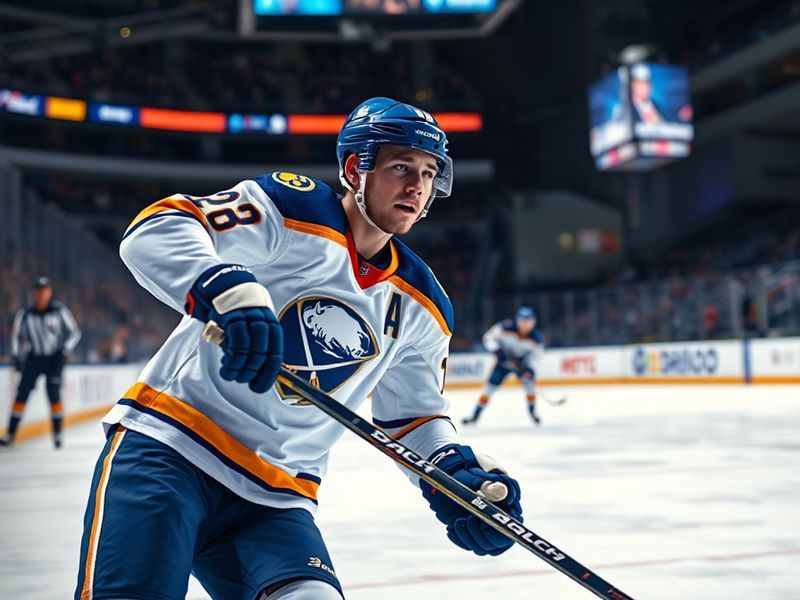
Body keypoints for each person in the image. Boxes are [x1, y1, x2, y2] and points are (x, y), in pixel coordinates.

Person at [75, 97, 524, 600]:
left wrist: (452, 474)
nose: (417, 186)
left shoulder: (424, 302)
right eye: (401, 167)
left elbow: (413, 418)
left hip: (276, 498)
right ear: (355, 169)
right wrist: (228, 291)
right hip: (171, 449)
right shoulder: (293, 210)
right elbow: (156, 229)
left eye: (428, 172)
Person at [1, 276, 81, 449]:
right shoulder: (25, 314)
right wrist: (16, 356)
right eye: (38, 291)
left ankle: (57, 433)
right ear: (33, 293)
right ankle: (10, 434)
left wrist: (65, 350)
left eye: (44, 291)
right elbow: (16, 336)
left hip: (54, 359)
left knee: (53, 393)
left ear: (49, 292)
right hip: (34, 358)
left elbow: (74, 332)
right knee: (22, 393)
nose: (41, 295)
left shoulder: (59, 310)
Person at [462, 306, 544, 426]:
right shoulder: (505, 327)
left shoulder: (536, 339)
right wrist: (498, 352)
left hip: (522, 365)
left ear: (533, 322)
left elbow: (536, 357)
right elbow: (488, 338)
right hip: (502, 364)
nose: (525, 324)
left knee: (530, 387)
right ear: (517, 320)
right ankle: (475, 415)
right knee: (489, 388)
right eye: (522, 321)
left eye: (528, 321)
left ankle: (533, 412)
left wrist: (530, 369)